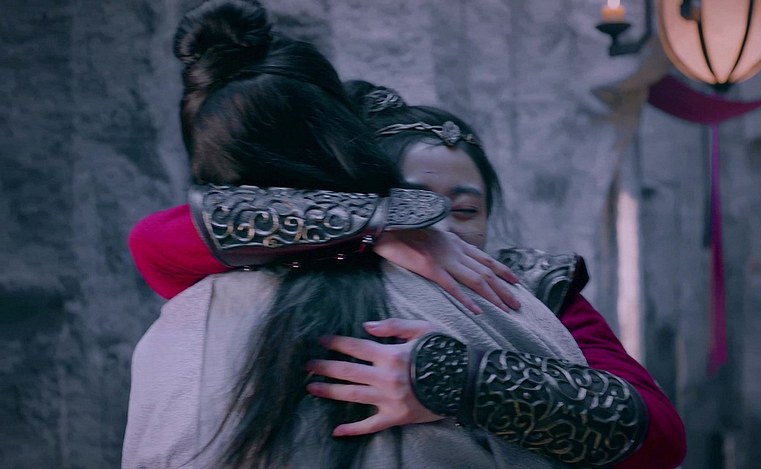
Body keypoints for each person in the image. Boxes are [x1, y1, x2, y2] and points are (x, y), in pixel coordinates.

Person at [123, 2, 653, 467]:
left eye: (464, 209)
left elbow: (651, 433)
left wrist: (461, 379)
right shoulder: (270, 262)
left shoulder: (525, 290)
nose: (437, 230)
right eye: (418, 206)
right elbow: (154, 241)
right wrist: (377, 222)